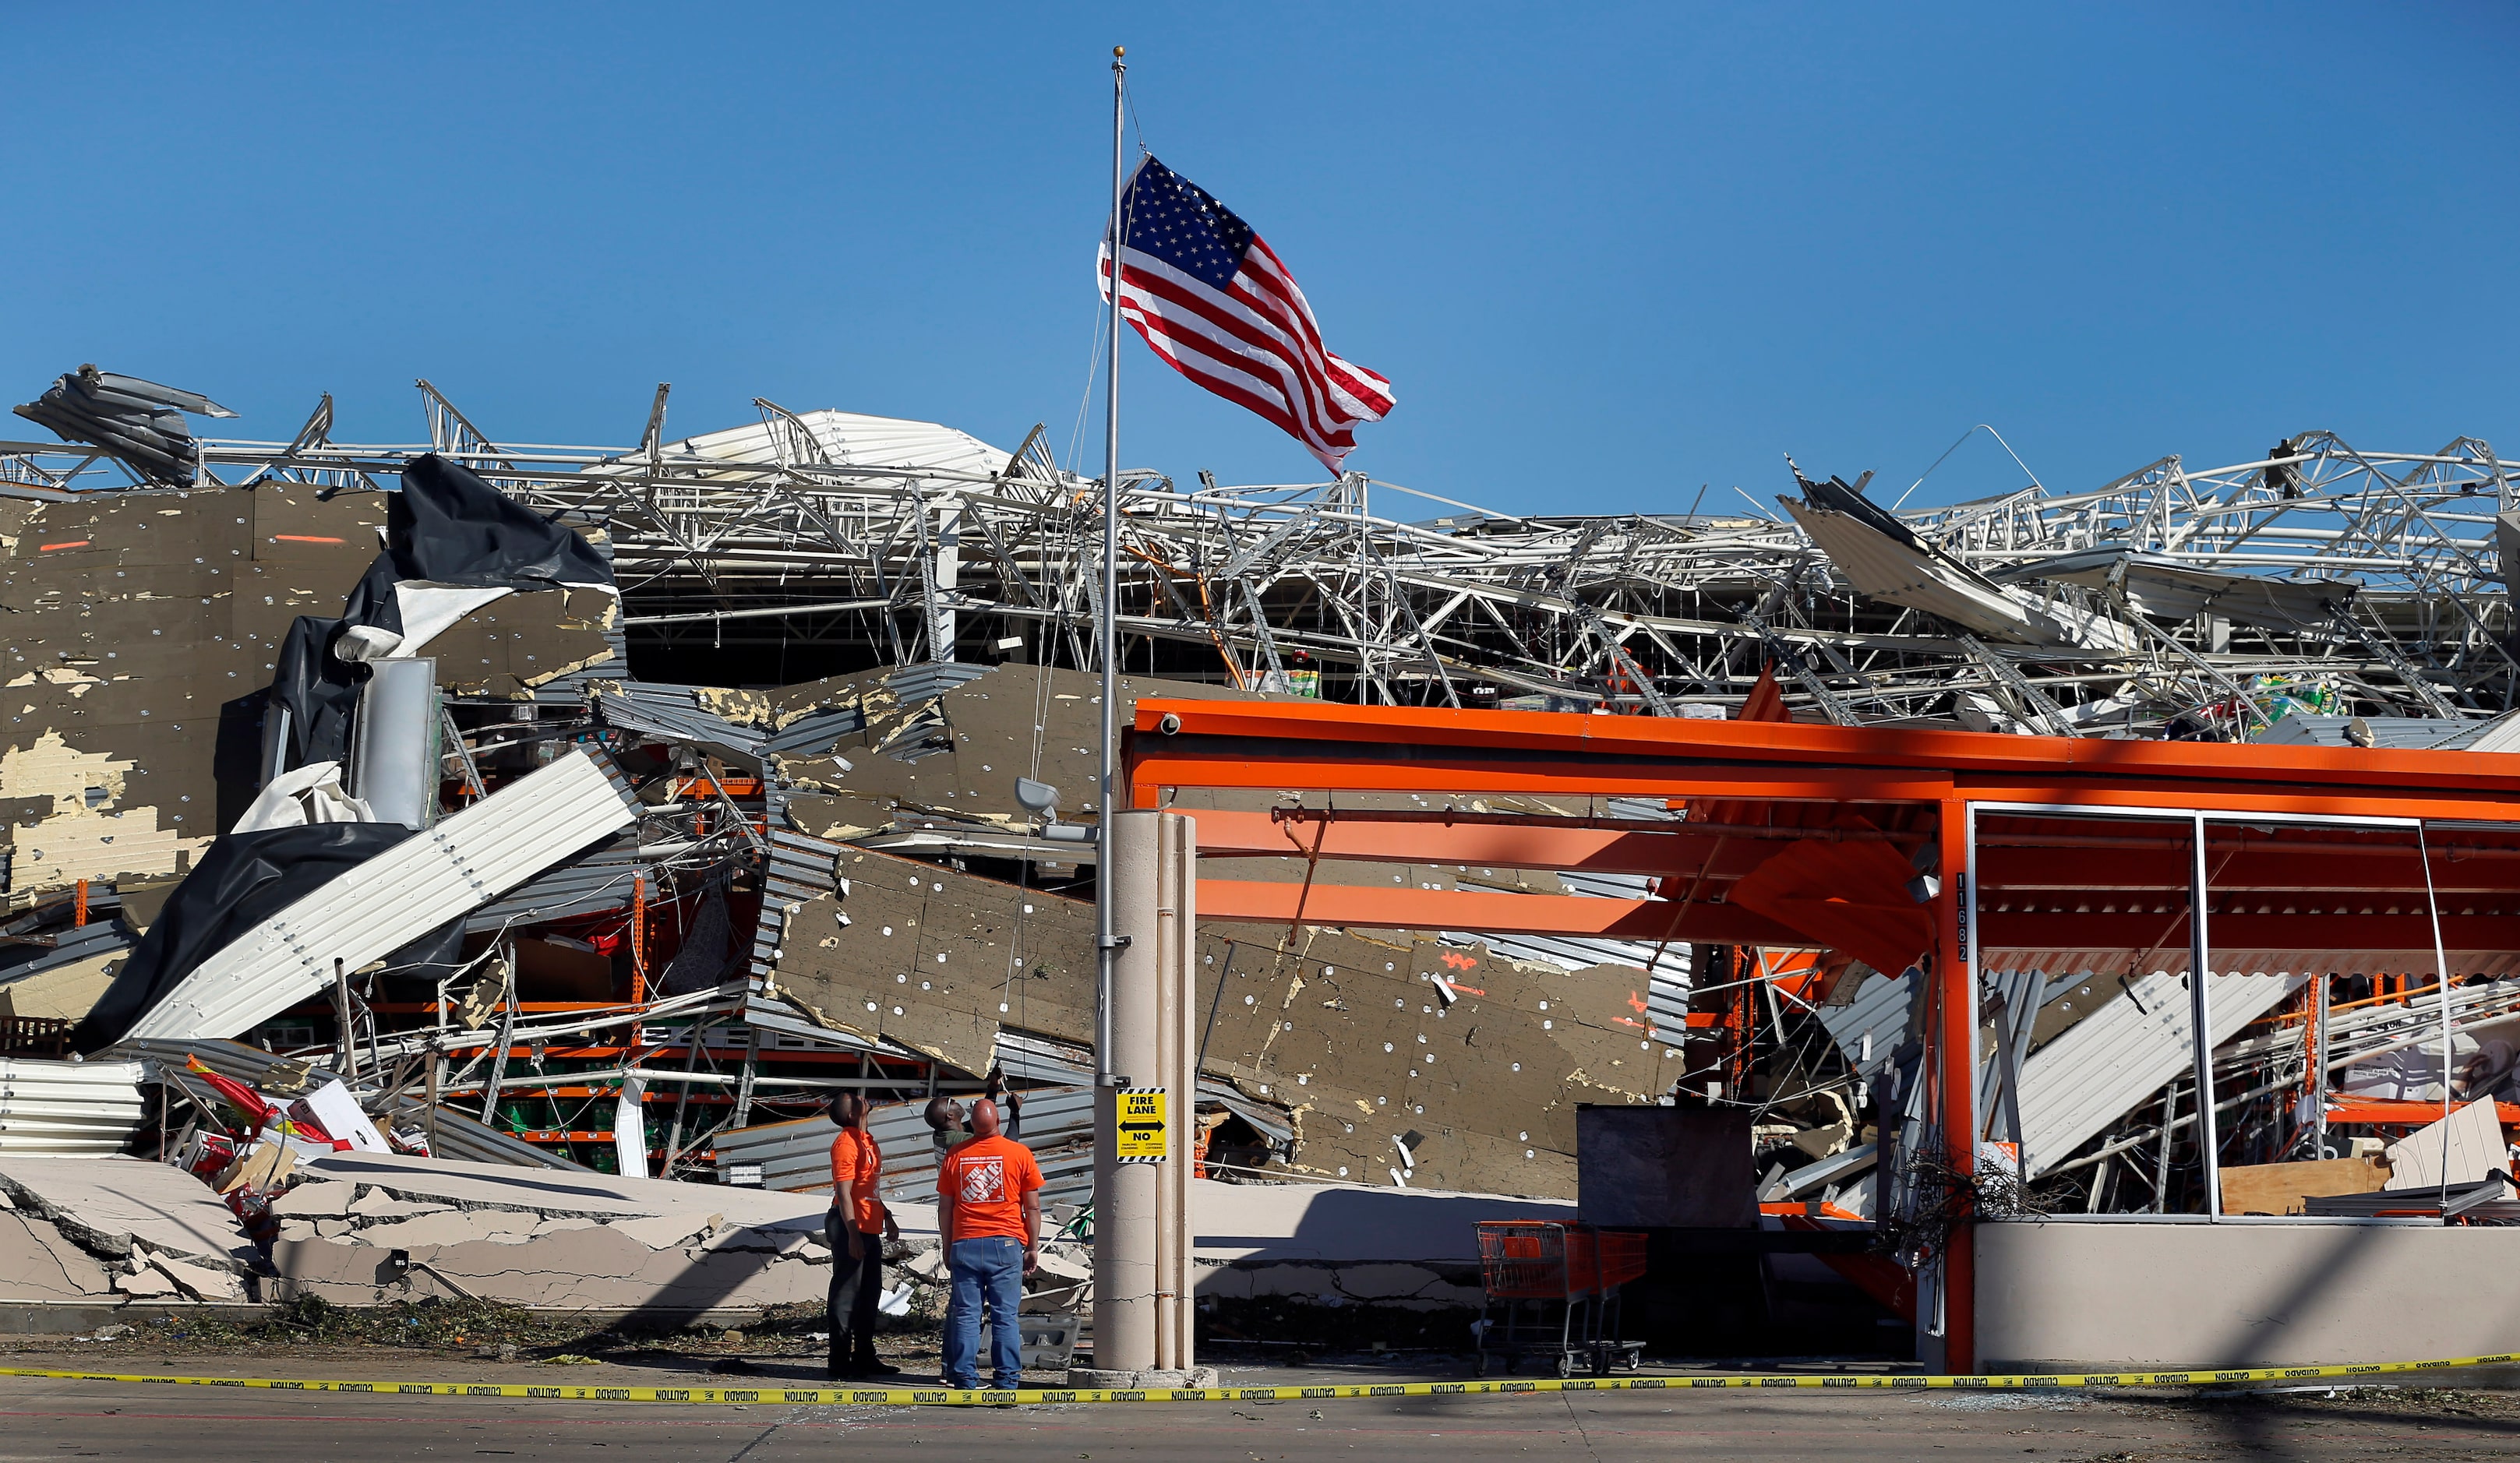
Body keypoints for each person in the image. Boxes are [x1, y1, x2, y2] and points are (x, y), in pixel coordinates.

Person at [934, 1096, 1042, 1391]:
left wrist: (948, 1244)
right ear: (997, 1121)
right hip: (1005, 1245)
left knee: (967, 1314)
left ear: (972, 1123)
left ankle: (965, 1379)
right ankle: (1007, 1381)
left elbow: (945, 1207)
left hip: (965, 1243)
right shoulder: (1019, 1154)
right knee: (1005, 1315)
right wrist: (1032, 1246)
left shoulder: (955, 1155)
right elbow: (1032, 1208)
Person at [825, 1094, 902, 1380]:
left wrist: (887, 1215)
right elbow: (844, 1193)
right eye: (855, 1100)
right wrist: (853, 1234)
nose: (863, 1098)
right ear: (851, 1115)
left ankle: (864, 1355)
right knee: (846, 1295)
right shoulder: (846, 1144)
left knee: (870, 1294)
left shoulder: (867, 1140)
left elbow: (869, 1188)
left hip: (869, 1226)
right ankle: (839, 1361)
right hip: (850, 1227)